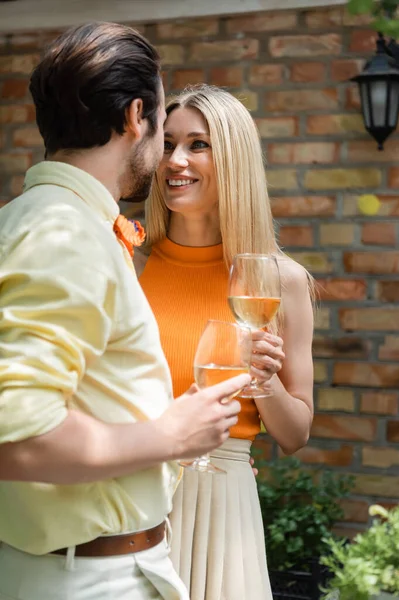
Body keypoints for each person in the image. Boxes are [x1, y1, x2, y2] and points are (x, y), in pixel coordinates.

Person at [0, 26, 250, 600]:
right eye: (164, 128)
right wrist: (168, 435)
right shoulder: (64, 234)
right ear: (137, 115)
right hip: (88, 580)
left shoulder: (39, 220)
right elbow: (18, 436)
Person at [136, 84, 314, 600]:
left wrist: (265, 383)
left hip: (223, 504)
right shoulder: (131, 262)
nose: (175, 160)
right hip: (135, 493)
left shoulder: (280, 280)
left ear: (233, 159)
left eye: (198, 144)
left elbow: (296, 432)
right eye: (167, 144)